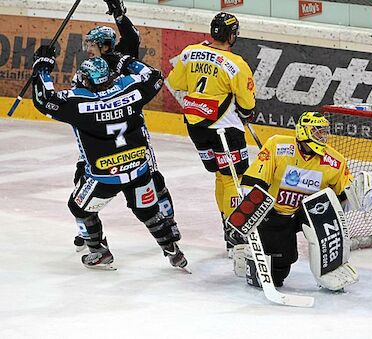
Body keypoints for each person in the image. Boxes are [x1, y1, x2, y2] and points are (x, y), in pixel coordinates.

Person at [31, 45, 188, 271]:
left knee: (80, 209)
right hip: (139, 169)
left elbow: (43, 100)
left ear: (87, 81)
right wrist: (122, 60)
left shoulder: (78, 102)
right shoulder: (128, 89)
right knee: (149, 212)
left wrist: (42, 66)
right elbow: (154, 76)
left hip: (104, 177)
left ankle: (98, 251)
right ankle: (173, 251)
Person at [231, 111, 372, 289]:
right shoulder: (278, 145)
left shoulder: (335, 161)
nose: (324, 136)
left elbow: (342, 201)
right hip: (276, 213)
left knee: (326, 216)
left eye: (325, 131)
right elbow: (253, 182)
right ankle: (250, 250)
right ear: (304, 131)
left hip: (308, 213)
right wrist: (248, 216)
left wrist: (359, 197)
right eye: (318, 131)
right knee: (277, 273)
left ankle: (330, 269)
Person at [72, 0, 176, 252]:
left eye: (92, 45)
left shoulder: (118, 57)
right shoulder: (90, 68)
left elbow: (132, 36)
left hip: (131, 130)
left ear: (104, 45)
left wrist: (119, 13)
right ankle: (87, 228)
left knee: (152, 177)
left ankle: (168, 223)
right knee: (82, 175)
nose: (88, 49)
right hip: (98, 133)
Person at [166, 12, 256, 253]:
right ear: (232, 35)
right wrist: (246, 113)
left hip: (196, 127)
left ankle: (227, 225)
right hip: (224, 130)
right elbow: (247, 104)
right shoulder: (237, 64)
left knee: (219, 174)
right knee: (232, 178)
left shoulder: (190, 52)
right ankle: (235, 232)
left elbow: (175, 83)